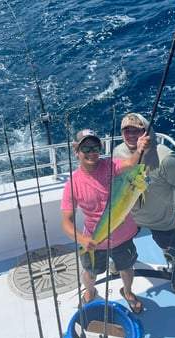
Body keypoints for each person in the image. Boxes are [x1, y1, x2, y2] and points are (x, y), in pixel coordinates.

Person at [61, 128, 150, 313]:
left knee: (126, 268)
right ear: (76, 151)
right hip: (94, 241)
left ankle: (127, 291)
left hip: (123, 235)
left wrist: (140, 149)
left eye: (95, 148)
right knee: (91, 274)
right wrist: (84, 240)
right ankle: (89, 291)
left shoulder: (111, 165)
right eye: (85, 149)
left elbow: (131, 163)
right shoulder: (73, 184)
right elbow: (66, 222)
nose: (91, 153)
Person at [113, 113, 175, 293]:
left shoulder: (167, 159)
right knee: (119, 245)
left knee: (169, 251)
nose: (131, 135)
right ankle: (121, 263)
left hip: (161, 219)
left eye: (137, 130)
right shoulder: (118, 152)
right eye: (127, 131)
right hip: (130, 216)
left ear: (147, 132)